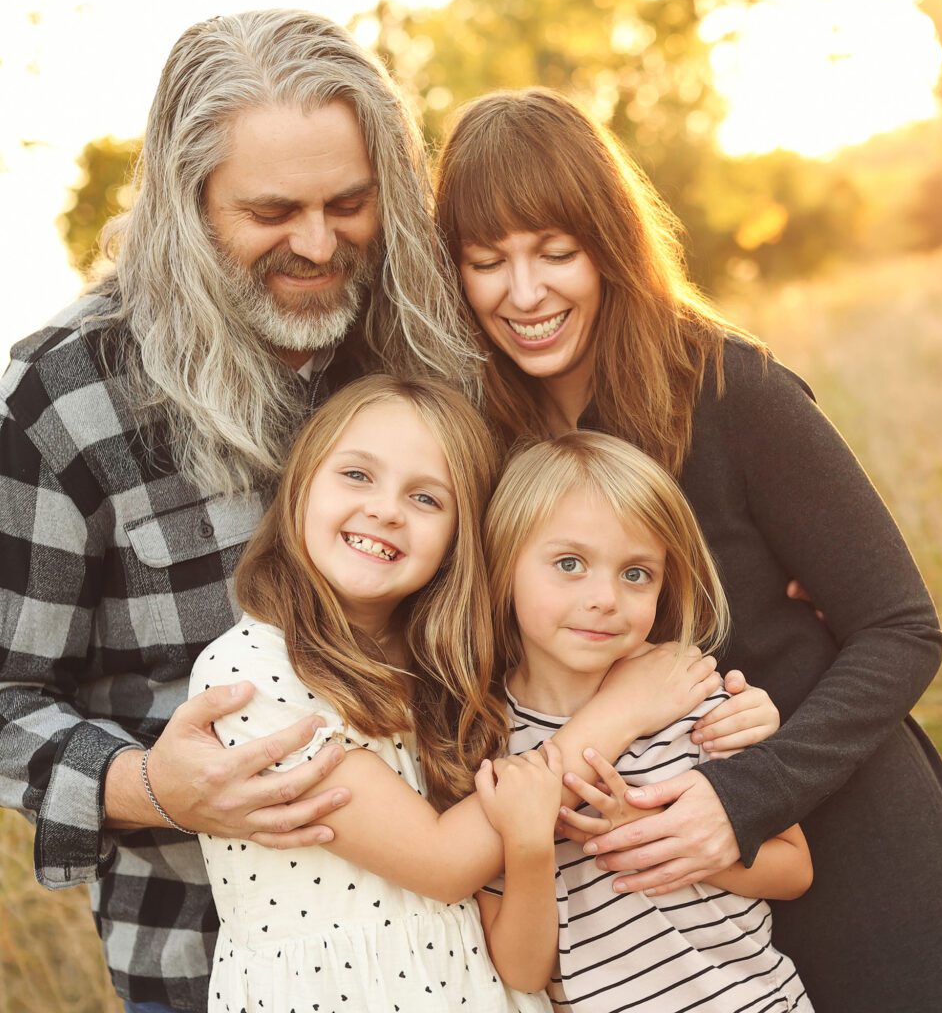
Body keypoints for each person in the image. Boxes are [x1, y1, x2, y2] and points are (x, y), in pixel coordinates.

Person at [434, 87, 942, 1013]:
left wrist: (746, 794)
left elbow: (901, 627)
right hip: (661, 936)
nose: (525, 293)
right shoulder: (486, 444)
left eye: (555, 252)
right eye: (486, 261)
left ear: (608, 244)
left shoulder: (730, 387)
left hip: (843, 832)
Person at [0, 10, 484, 1013]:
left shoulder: (432, 340)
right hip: (207, 961)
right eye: (271, 211)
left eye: (349, 202)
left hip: (473, 939)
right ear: (187, 200)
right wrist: (156, 787)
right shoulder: (66, 397)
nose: (317, 241)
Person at [191, 375, 765, 1012]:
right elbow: (442, 864)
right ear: (300, 484)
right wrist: (620, 713)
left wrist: (733, 709)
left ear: (461, 542)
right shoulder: (252, 675)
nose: (385, 510)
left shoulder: (442, 664)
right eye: (357, 475)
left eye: (427, 499)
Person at [476, 431, 813, 1012]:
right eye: (570, 564)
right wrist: (529, 845)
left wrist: (661, 838)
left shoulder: (694, 705)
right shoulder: (484, 744)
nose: (605, 597)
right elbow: (524, 970)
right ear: (505, 565)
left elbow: (793, 869)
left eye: (636, 574)